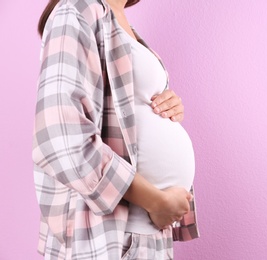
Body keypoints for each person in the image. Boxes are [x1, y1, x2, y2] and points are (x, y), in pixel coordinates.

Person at [32, 0, 199, 259]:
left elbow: (123, 109)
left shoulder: (118, 19)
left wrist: (167, 106)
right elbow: (60, 137)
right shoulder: (78, 9)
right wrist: (155, 201)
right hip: (110, 238)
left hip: (148, 234)